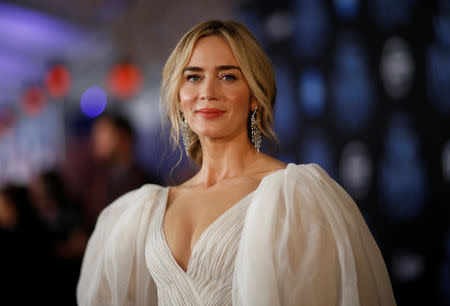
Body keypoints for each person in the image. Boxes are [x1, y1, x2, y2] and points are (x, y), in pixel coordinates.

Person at [77, 20, 397, 305]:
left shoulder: (296, 196)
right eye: (193, 77)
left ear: (255, 94)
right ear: (178, 96)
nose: (207, 91)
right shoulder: (143, 210)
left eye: (228, 76)